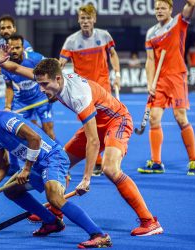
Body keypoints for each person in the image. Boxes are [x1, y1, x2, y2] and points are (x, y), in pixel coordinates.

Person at [0, 47, 163, 236]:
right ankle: (57, 209)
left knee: (110, 168)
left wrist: (86, 178)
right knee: (60, 162)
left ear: (57, 79)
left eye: (44, 85)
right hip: (95, 122)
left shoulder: (78, 95)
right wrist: (0, 62)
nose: (41, 90)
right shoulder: (51, 78)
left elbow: (93, 141)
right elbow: (16, 69)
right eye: (39, 84)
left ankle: (149, 221)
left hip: (117, 121)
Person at [0, 90, 112, 248]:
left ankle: (99, 235)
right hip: (37, 165)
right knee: (11, 190)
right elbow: (3, 165)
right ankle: (51, 222)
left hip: (53, 159)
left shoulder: (5, 119)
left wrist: (26, 169)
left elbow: (35, 138)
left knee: (53, 196)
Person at [137, 0, 195, 176]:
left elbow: (192, 5)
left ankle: (194, 161)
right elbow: (150, 61)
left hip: (177, 77)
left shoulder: (179, 22)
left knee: (180, 117)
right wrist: (150, 83)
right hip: (160, 81)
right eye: (157, 8)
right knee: (154, 119)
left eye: (163, 8)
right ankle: (156, 163)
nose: (159, 11)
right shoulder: (151, 33)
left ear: (170, 10)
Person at [59, 4, 121, 176]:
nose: (85, 21)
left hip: (103, 89)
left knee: (106, 124)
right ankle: (99, 162)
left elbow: (113, 54)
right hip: (83, 92)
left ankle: (107, 158)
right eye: (82, 18)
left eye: (88, 18)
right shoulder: (71, 41)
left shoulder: (104, 36)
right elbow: (61, 63)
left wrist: (117, 74)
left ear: (94, 19)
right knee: (91, 127)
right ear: (79, 20)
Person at [0, 15, 34, 182]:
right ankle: (10, 166)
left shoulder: (26, 46)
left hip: (34, 95)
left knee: (44, 131)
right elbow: (6, 73)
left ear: (14, 29)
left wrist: (4, 67)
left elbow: (26, 66)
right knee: (6, 130)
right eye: (2, 28)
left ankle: (55, 160)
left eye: (8, 28)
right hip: (19, 97)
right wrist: (0, 68)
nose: (5, 31)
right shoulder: (1, 45)